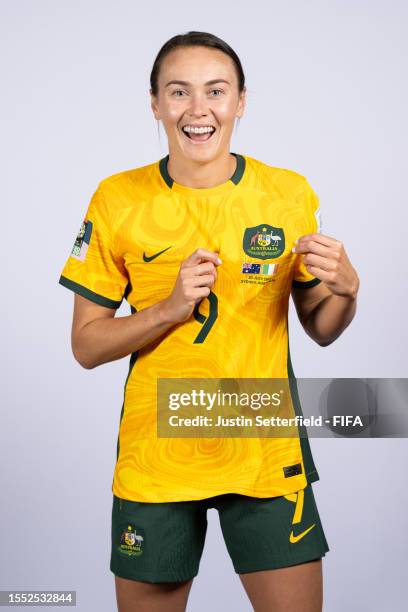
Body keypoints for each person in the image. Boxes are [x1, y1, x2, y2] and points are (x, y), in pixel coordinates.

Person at [58, 31, 359, 612]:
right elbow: (86, 345)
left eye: (215, 91)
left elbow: (322, 326)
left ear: (240, 101)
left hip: (265, 448)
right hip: (157, 459)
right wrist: (169, 309)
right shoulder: (117, 199)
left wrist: (348, 290)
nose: (198, 109)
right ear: (155, 104)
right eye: (179, 92)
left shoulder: (286, 193)